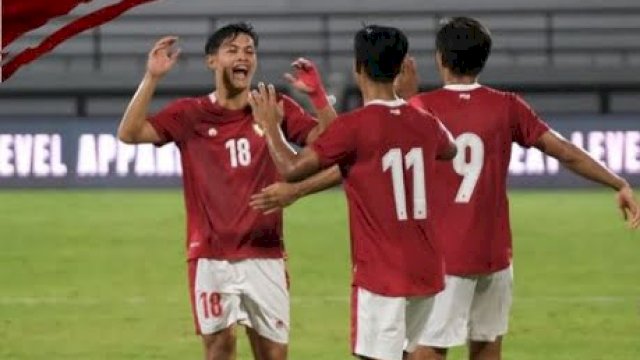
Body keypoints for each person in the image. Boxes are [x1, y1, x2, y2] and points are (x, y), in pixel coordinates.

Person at [391, 16, 640, 360]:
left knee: (428, 349)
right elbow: (564, 151)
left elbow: (382, 141)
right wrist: (618, 182)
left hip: (443, 256)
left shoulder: (422, 108)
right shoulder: (506, 106)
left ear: (440, 58)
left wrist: (405, 99)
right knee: (488, 348)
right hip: (494, 256)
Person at [116, 22, 338, 360]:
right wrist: (152, 77)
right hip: (210, 257)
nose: (243, 57)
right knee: (219, 351)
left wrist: (318, 98)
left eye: (249, 51)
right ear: (212, 61)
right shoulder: (190, 113)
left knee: (274, 355)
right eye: (232, 50)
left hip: (265, 254)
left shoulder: (271, 105)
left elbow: (333, 143)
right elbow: (130, 133)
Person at [247, 25, 457, 360]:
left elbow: (290, 166)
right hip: (427, 270)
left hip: (382, 274)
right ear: (401, 67)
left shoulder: (356, 126)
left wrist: (270, 124)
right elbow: (449, 151)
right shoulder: (425, 124)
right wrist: (409, 99)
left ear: (358, 67)